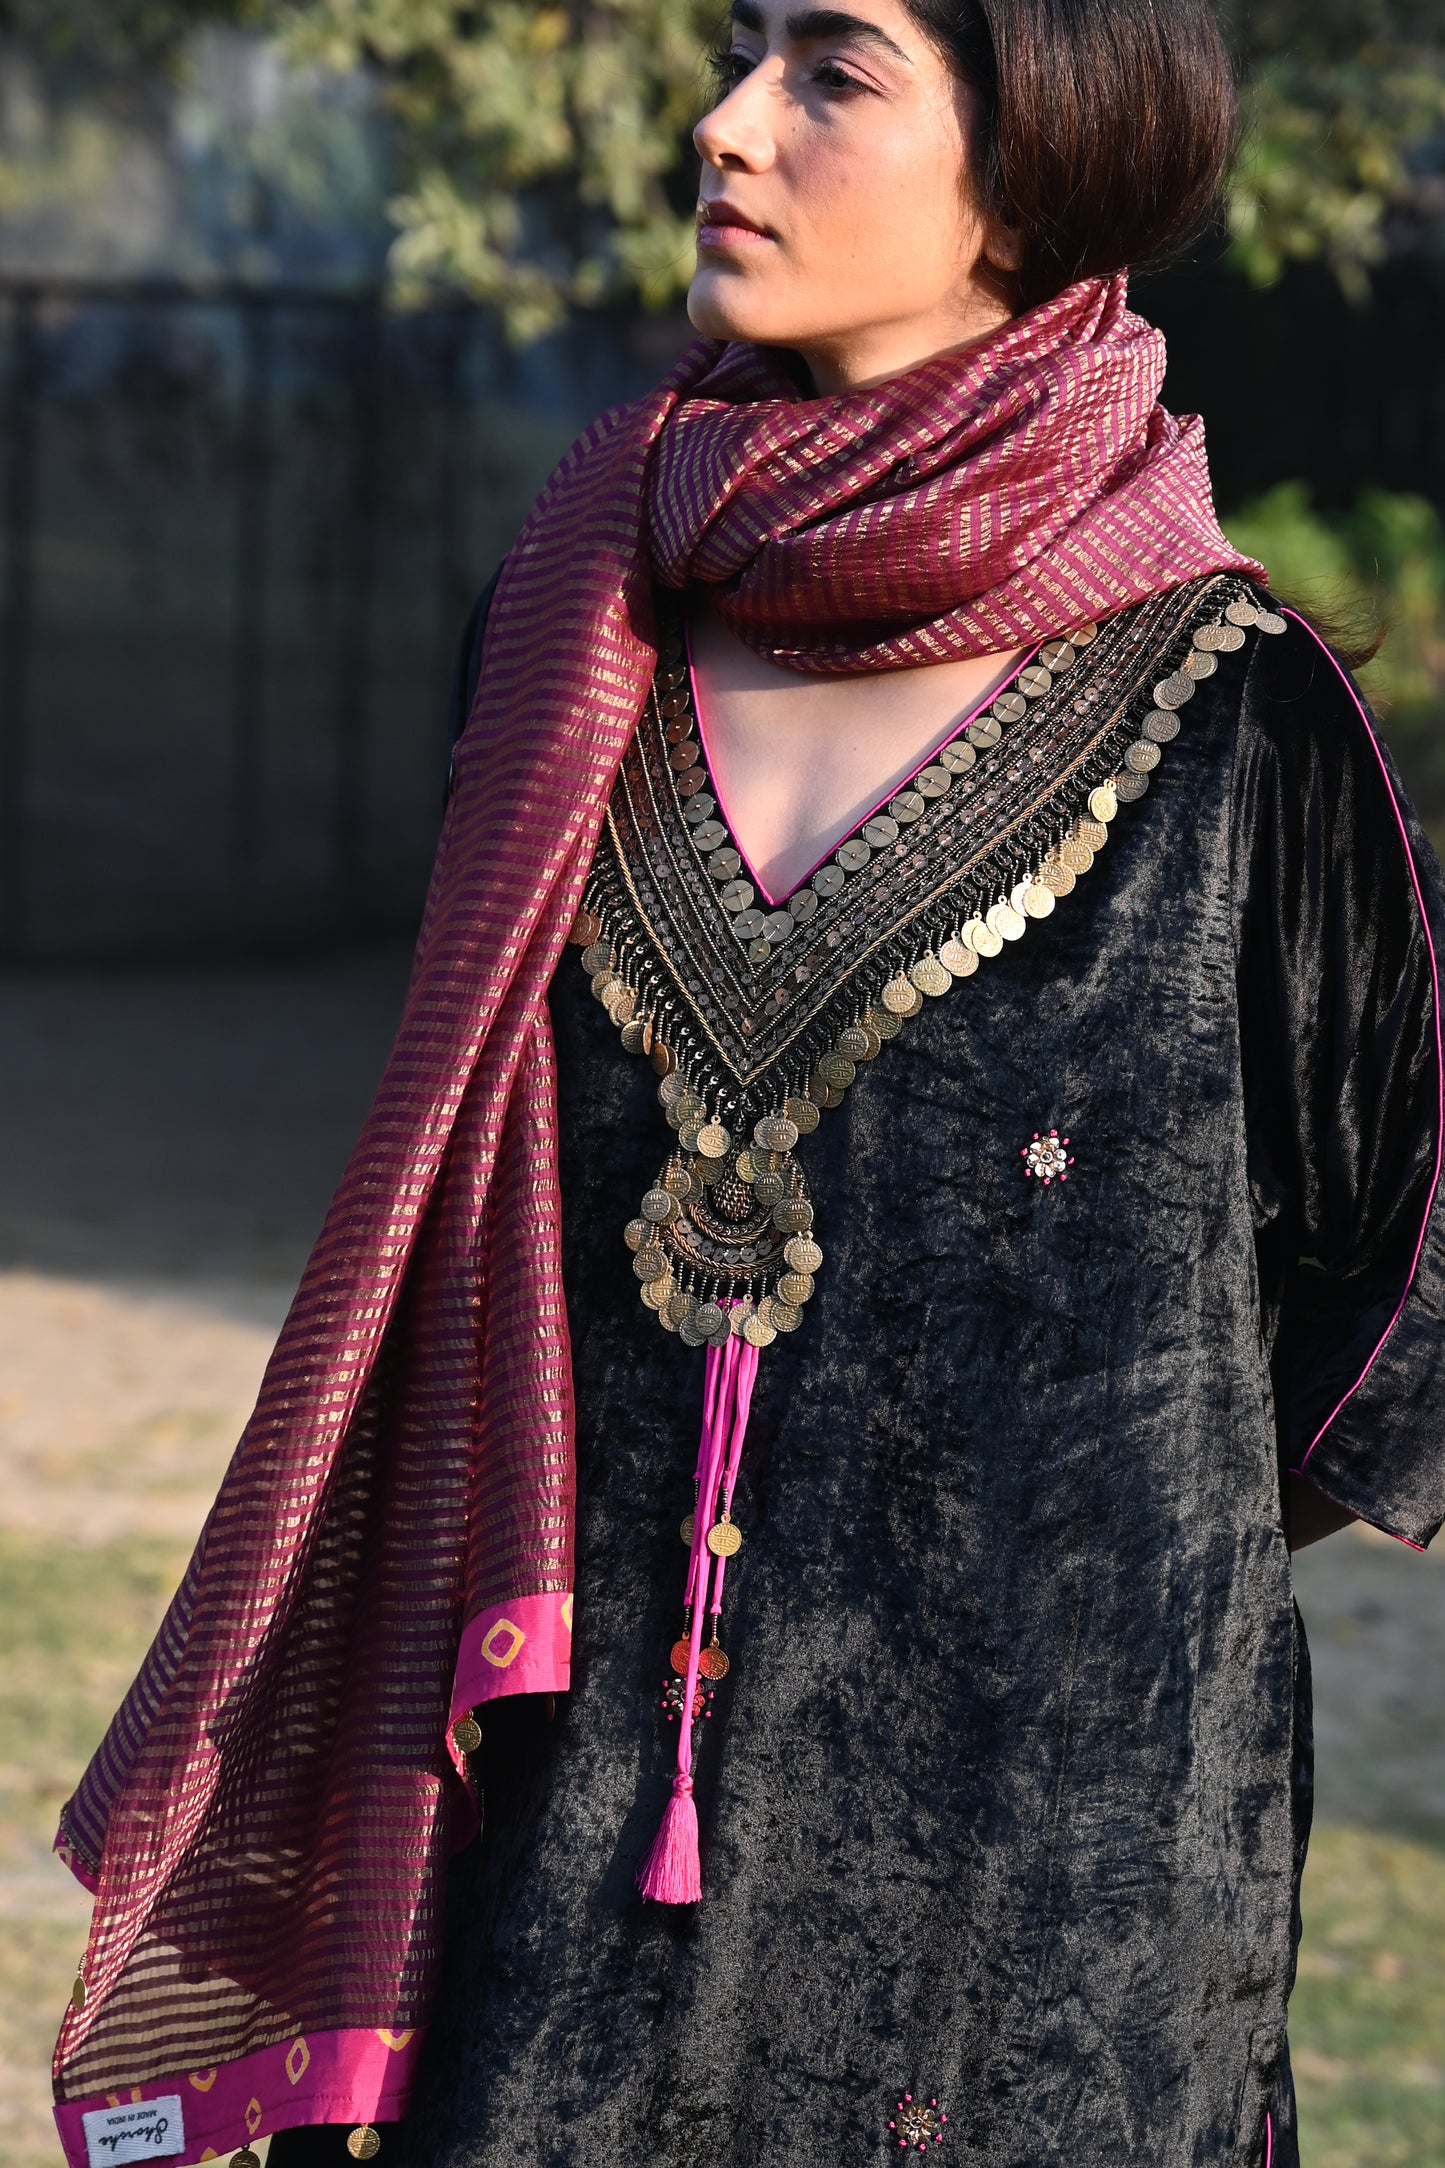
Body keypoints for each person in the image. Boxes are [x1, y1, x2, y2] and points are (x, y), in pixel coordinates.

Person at [52, 2, 1445, 2165]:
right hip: (554, 1934)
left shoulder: (1244, 739)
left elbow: (1391, 1323)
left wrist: (1054, 1551)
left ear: (1038, 149)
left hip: (1042, 1974)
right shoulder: (565, 639)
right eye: (739, 51)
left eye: (832, 70)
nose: (722, 125)